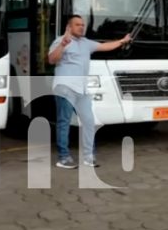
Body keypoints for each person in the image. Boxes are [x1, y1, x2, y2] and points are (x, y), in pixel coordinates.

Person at [47, 15, 131, 169]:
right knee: (64, 122)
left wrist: (122, 41)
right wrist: (63, 45)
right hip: (65, 87)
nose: (81, 27)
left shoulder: (86, 43)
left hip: (82, 89)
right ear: (69, 27)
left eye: (83, 25)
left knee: (89, 122)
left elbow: (104, 46)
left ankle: (88, 157)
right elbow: (52, 60)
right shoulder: (61, 40)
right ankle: (63, 158)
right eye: (77, 25)